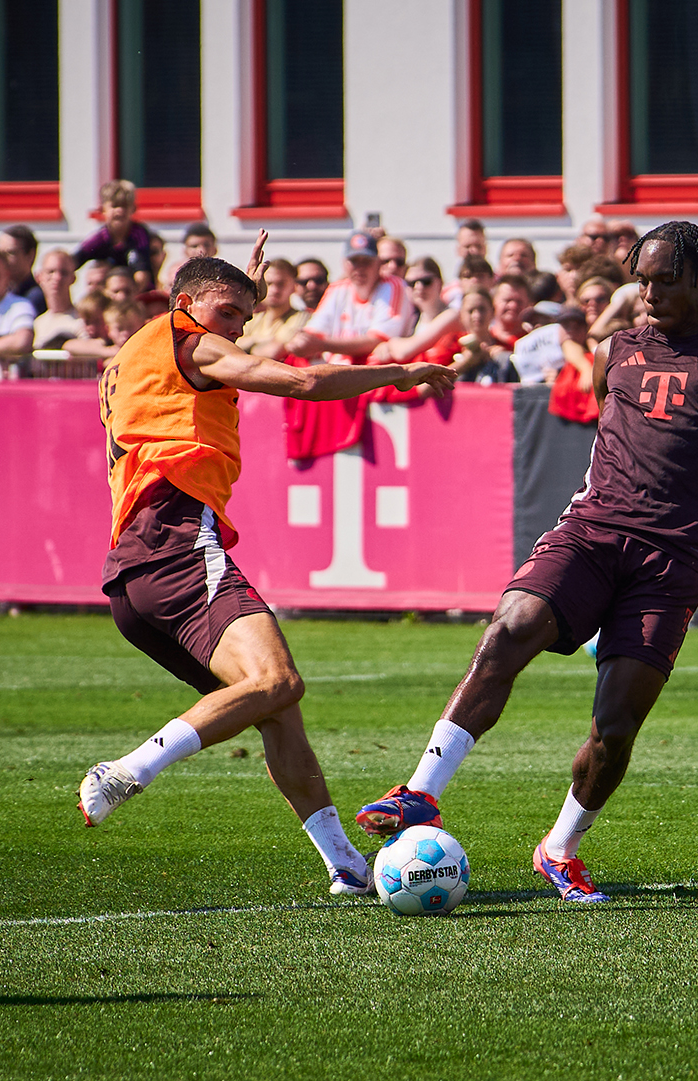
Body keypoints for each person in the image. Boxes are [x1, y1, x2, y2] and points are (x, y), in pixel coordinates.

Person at [354, 221, 698, 902]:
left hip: (670, 563)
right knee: (508, 628)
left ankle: (558, 848)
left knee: (614, 727)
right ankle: (420, 793)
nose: (650, 292)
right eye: (643, 278)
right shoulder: (618, 351)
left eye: (666, 278)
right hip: (591, 532)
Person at [77, 239, 457, 899]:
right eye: (228, 313)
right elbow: (304, 382)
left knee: (277, 702)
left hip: (132, 570)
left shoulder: (135, 350)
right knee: (278, 678)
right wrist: (398, 370)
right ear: (186, 303)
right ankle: (127, 768)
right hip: (176, 540)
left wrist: (236, 290)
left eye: (243, 319)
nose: (237, 329)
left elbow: (200, 321)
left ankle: (345, 865)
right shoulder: (193, 343)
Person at [288, 231, 413, 364]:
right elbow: (313, 333)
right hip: (336, 372)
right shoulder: (338, 288)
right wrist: (300, 342)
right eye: (354, 262)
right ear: (345, 264)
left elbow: (377, 340)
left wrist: (322, 345)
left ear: (378, 263)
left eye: (366, 261)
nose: (360, 269)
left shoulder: (393, 285)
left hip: (374, 376)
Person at [74, 180, 157, 290]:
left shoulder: (139, 235)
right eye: (114, 206)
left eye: (124, 206)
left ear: (133, 209)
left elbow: (142, 276)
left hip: (137, 292)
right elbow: (72, 262)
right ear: (103, 210)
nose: (119, 210)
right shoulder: (99, 238)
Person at [234, 258, 305, 360]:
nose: (274, 290)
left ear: (294, 286)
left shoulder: (302, 317)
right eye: (269, 283)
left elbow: (272, 353)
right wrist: (257, 339)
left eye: (281, 284)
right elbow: (230, 345)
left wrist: (246, 348)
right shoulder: (253, 319)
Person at [32, 249, 88, 350]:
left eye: (64, 273)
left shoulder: (84, 320)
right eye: (50, 272)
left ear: (73, 278)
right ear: (39, 277)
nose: (57, 278)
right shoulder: (36, 323)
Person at [0, 224, 46, 314]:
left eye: (10, 253)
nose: (2, 259)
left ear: (30, 256)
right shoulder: (0, 294)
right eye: (0, 253)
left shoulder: (34, 298)